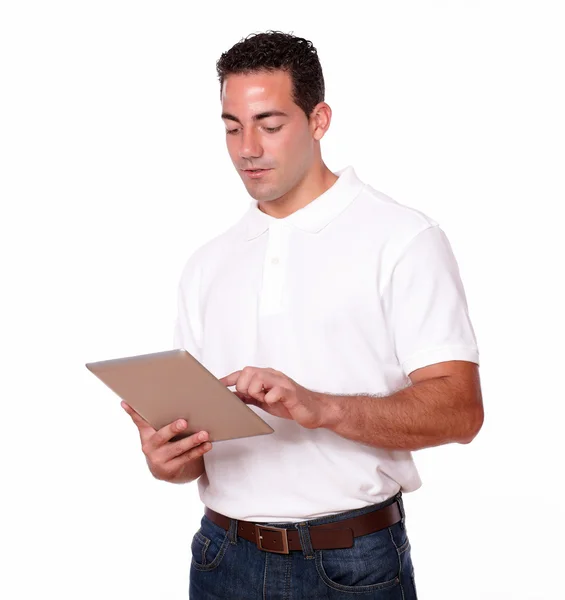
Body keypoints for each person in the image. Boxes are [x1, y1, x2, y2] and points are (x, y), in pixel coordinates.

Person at [121, 30, 483, 599]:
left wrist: (321, 407)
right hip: (221, 559)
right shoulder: (208, 263)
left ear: (319, 120)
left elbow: (461, 411)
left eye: (269, 125)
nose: (247, 148)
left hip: (352, 565)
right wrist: (170, 458)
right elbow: (197, 458)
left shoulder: (403, 238)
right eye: (232, 127)